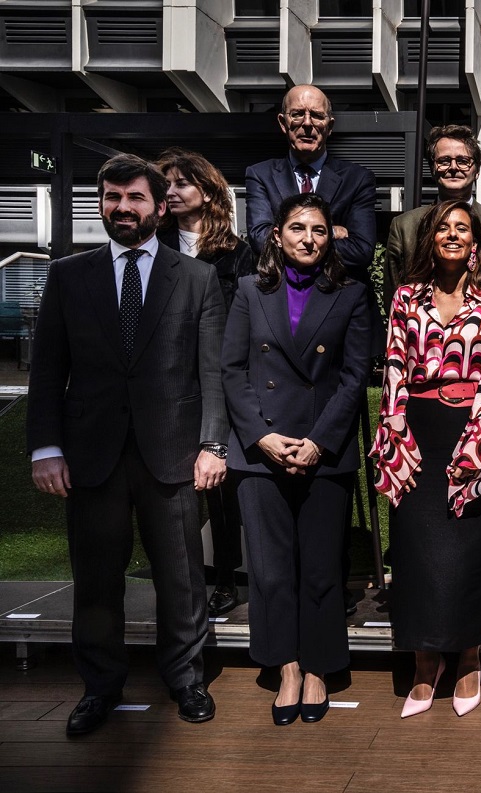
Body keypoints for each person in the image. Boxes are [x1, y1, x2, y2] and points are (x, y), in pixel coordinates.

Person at [27, 154, 228, 735]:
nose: (122, 207)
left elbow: (210, 371)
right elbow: (47, 372)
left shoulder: (197, 278)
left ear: (159, 207)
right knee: (95, 580)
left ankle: (187, 678)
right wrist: (46, 449)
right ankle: (99, 687)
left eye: (135, 197)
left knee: (182, 576)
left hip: (174, 451)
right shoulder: (68, 275)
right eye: (112, 197)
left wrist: (213, 444)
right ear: (101, 204)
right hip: (91, 455)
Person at [221, 193, 371, 726]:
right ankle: (285, 666)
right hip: (260, 452)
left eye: (320, 230)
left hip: (322, 452)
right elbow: (233, 370)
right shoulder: (247, 291)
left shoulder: (351, 294)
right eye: (297, 228)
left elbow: (355, 377)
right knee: (269, 570)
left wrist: (319, 441)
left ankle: (318, 669)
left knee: (321, 568)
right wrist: (261, 437)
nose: (309, 238)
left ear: (331, 239)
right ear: (277, 235)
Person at [371, 200, 481, 719]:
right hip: (417, 436)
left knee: (469, 552)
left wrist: (480, 438)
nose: (452, 235)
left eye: (462, 229)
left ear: (476, 244)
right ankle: (425, 662)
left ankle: (470, 657)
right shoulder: (406, 297)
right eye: (443, 229)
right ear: (430, 240)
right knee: (415, 554)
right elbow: (393, 367)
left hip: (473, 433)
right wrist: (395, 435)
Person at [156, 147, 255, 618]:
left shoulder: (238, 252)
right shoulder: (154, 248)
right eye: (167, 184)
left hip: (222, 381)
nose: (171, 192)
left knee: (223, 489)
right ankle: (181, 581)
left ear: (208, 191)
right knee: (172, 488)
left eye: (181, 183)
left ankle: (224, 577)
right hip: (170, 383)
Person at [245, 84, 378, 283]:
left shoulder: (357, 179)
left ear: (329, 126)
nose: (307, 123)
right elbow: (259, 239)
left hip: (339, 293)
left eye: (316, 115)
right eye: (298, 114)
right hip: (281, 294)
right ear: (283, 123)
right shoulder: (260, 175)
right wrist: (330, 231)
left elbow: (361, 250)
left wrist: (289, 239)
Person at [384, 124, 481, 305]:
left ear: (477, 170)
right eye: (444, 160)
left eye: (463, 161)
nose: (454, 167)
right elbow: (392, 297)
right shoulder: (404, 226)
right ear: (432, 168)